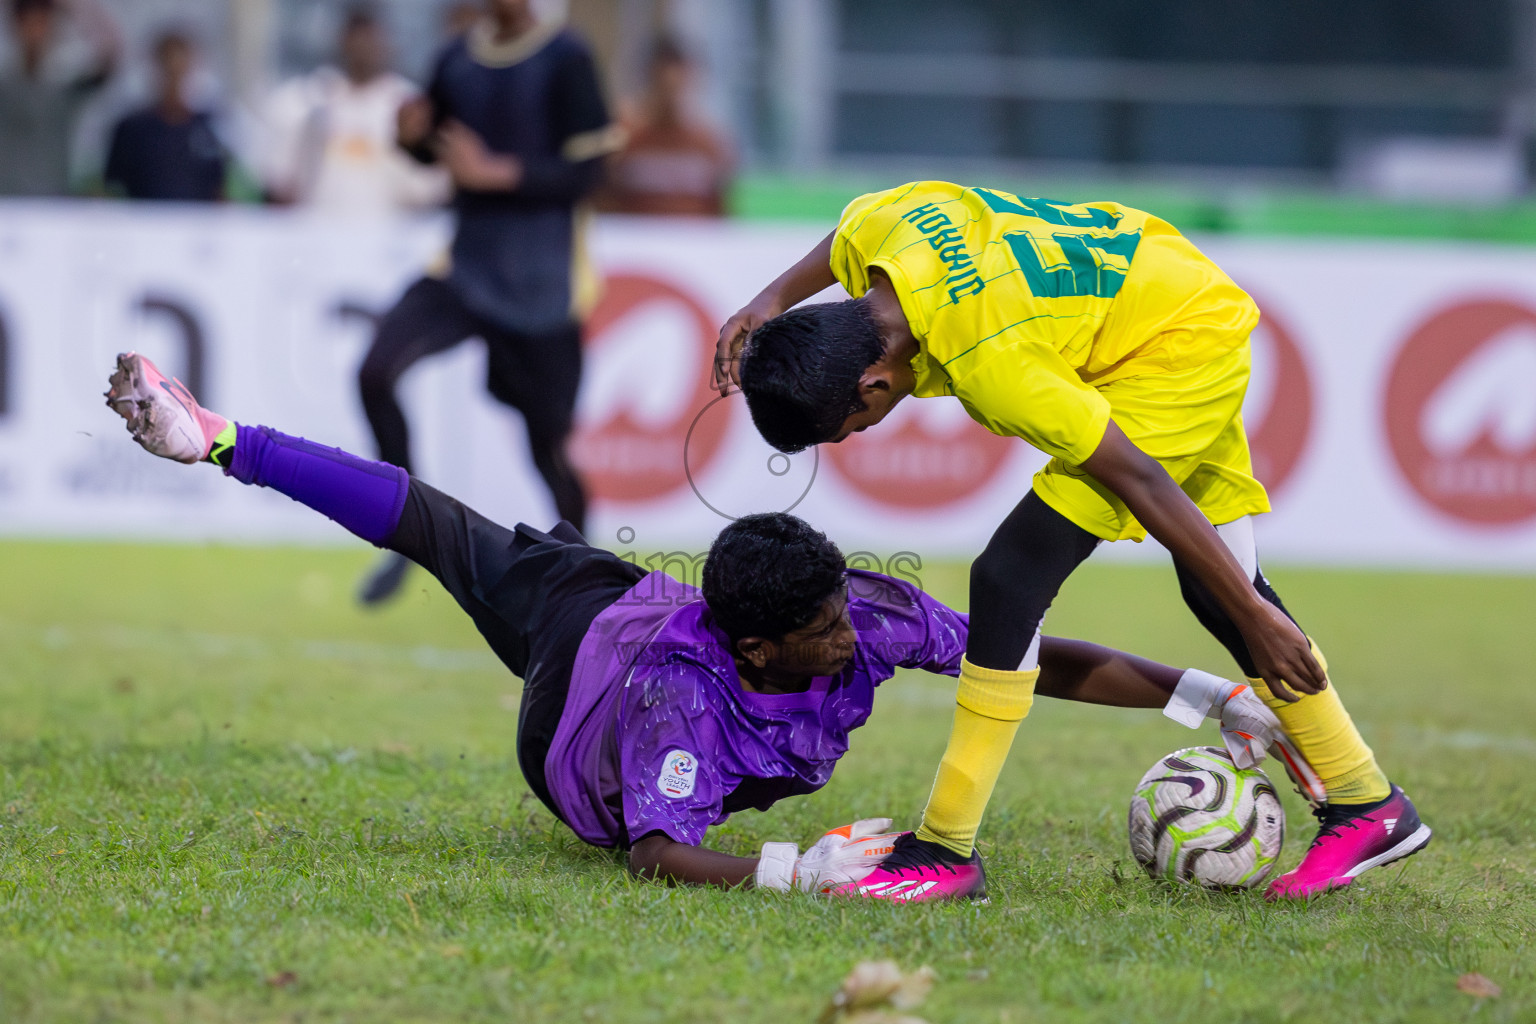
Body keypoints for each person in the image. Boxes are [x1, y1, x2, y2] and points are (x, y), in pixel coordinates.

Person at [104, 350, 1293, 893]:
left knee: (455, 526)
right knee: (434, 532)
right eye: (828, 628)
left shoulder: (859, 612)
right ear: (758, 651)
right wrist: (798, 870)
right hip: (573, 705)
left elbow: (1021, 656)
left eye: (845, 607)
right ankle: (221, 440)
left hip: (618, 591)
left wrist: (1207, 690)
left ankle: (218, 436)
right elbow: (653, 852)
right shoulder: (691, 704)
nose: (857, 633)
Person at [716, 181, 1431, 901]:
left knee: (1010, 576)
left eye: (849, 428)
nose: (857, 436)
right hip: (1159, 280)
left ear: (871, 385)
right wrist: (770, 302)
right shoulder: (887, 232)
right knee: (1215, 586)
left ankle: (943, 850)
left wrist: (1251, 614)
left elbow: (1140, 480)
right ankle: (1368, 801)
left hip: (1170, 349)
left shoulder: (995, 359)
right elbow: (848, 226)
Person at [354, 0, 620, 605]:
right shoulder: (456, 58)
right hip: (465, 269)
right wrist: (411, 138)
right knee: (376, 372)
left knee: (548, 444)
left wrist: (499, 173)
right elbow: (436, 148)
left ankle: (590, 573)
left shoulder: (566, 57)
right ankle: (407, 534)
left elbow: (592, 171)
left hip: (541, 286)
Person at [261, 6, 448, 213]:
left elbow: (430, 185)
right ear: (342, 42)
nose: (363, 49)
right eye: (356, 40)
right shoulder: (310, 98)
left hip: (391, 234)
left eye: (370, 39)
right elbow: (282, 179)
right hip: (318, 231)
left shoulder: (409, 103)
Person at [595, 36, 732, 217]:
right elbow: (601, 198)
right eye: (663, 87)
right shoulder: (623, 135)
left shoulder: (708, 141)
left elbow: (723, 207)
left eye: (677, 88)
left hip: (692, 240)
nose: (671, 97)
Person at [0, 0, 119, 196]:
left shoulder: (65, 89)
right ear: (15, 27)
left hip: (53, 204)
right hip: (6, 203)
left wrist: (76, 6)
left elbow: (110, 56)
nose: (35, 33)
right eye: (28, 24)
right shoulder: (5, 87)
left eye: (42, 24)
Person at [102, 29, 226, 202]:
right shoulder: (132, 129)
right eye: (168, 69)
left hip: (198, 226)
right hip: (143, 225)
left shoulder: (209, 126)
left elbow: (220, 187)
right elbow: (111, 189)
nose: (175, 79)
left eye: (181, 69)